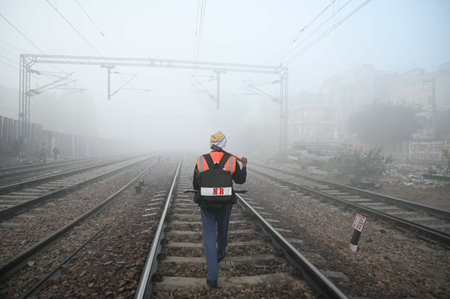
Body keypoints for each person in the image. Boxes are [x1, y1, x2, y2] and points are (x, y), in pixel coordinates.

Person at [192, 131, 247, 288]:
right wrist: (244, 164)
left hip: (207, 205)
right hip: (225, 203)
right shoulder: (231, 160)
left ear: (212, 144)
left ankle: (212, 277)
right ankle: (221, 253)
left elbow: (195, 186)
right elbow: (241, 180)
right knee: (222, 230)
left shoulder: (201, 160)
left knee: (209, 236)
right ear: (224, 143)